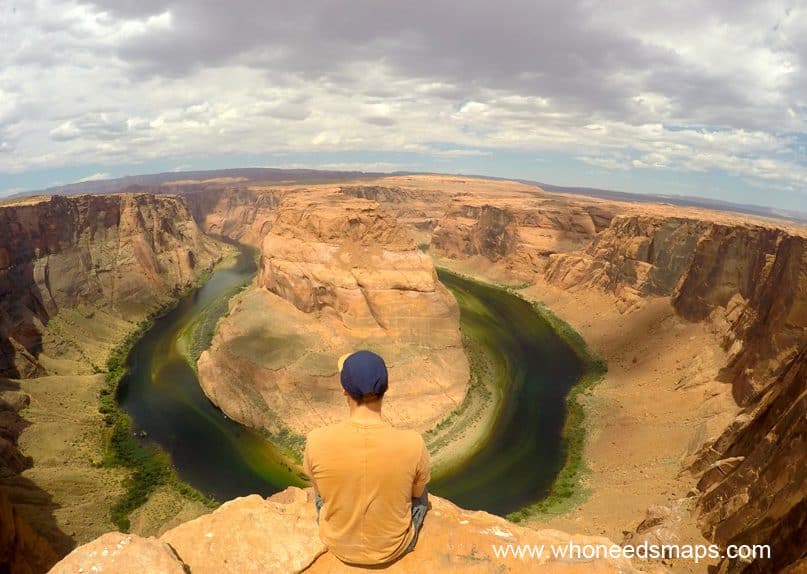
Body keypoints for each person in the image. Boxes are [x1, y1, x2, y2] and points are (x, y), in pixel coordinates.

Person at [303, 350, 430, 566]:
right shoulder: (414, 443)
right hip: (394, 547)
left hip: (337, 543)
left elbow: (320, 493)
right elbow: (416, 493)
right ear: (386, 389)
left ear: (344, 391)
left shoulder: (316, 440)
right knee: (421, 492)